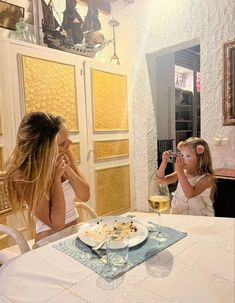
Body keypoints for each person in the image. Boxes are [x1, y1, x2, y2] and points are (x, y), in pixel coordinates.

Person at [3, 112, 90, 247]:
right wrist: (56, 178)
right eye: (62, 143)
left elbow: (85, 195)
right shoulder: (23, 175)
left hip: (74, 235)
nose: (70, 143)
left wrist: (67, 169)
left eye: (68, 138)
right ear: (44, 149)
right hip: (50, 243)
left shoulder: (64, 152)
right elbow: (57, 223)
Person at [156, 137, 215, 216]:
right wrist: (164, 162)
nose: (183, 159)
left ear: (201, 158)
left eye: (187, 156)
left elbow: (189, 194)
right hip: (178, 215)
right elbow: (160, 181)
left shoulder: (207, 178)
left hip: (199, 219)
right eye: (182, 155)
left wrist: (180, 171)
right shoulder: (183, 173)